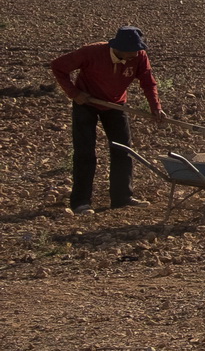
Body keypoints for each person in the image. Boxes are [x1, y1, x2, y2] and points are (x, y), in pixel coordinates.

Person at [49, 26, 164, 215]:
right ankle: (80, 202)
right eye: (130, 52)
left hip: (116, 105)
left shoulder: (139, 56)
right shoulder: (91, 52)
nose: (133, 55)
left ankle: (122, 198)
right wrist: (74, 93)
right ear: (117, 48)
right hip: (86, 102)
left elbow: (148, 81)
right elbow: (58, 66)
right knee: (85, 152)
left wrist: (156, 108)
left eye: (136, 51)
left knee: (123, 150)